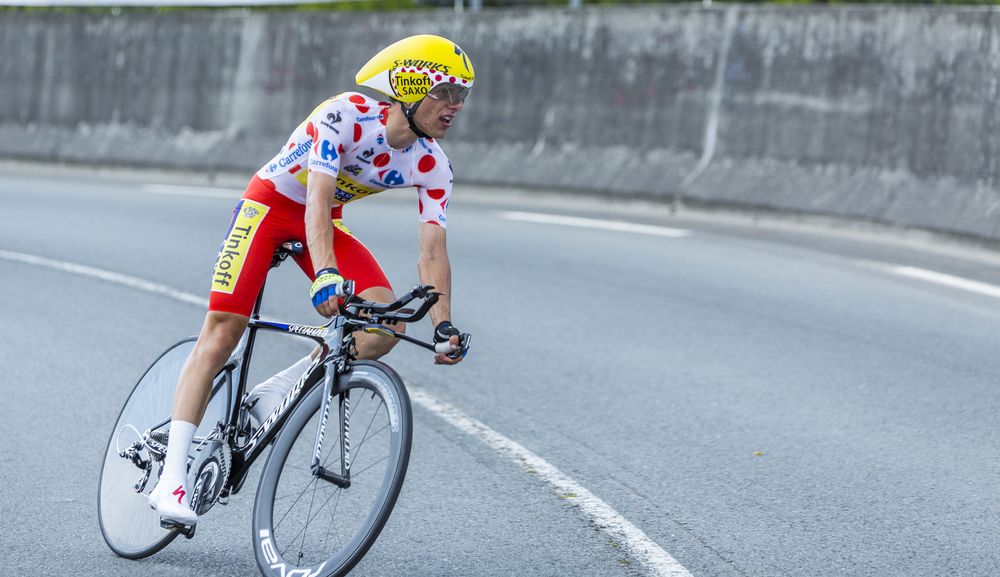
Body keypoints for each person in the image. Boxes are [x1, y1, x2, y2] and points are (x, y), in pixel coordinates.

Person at [147, 34, 473, 527]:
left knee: (383, 325)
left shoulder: (432, 164)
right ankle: (170, 478)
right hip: (271, 208)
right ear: (407, 85)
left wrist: (444, 325)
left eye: (462, 95)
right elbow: (316, 198)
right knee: (222, 331)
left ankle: (272, 394)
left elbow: (432, 251)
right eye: (445, 91)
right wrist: (325, 273)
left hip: (323, 222)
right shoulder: (345, 115)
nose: (455, 105)